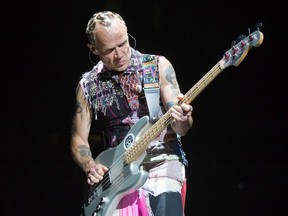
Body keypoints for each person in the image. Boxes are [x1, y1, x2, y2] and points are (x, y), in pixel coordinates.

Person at [70, 11, 193, 216]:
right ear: (94, 49)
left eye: (123, 43)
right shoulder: (88, 85)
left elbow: (182, 128)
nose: (119, 54)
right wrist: (90, 166)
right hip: (119, 175)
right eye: (109, 50)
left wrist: (183, 118)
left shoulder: (156, 66)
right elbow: (78, 137)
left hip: (163, 163)